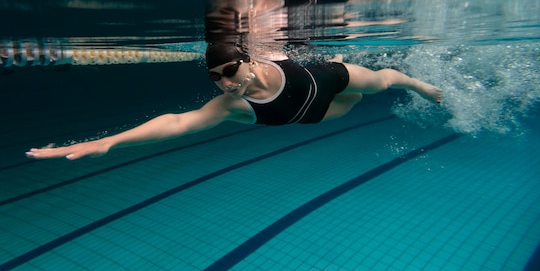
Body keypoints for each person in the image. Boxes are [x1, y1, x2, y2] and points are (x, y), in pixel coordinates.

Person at [26, 43, 442, 160]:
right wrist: (109, 141)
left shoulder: (272, 53)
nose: (225, 84)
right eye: (215, 78)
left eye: (229, 72)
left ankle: (421, 85)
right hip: (314, 113)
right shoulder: (229, 107)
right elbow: (176, 122)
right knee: (352, 106)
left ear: (248, 59)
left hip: (328, 75)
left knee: (381, 85)